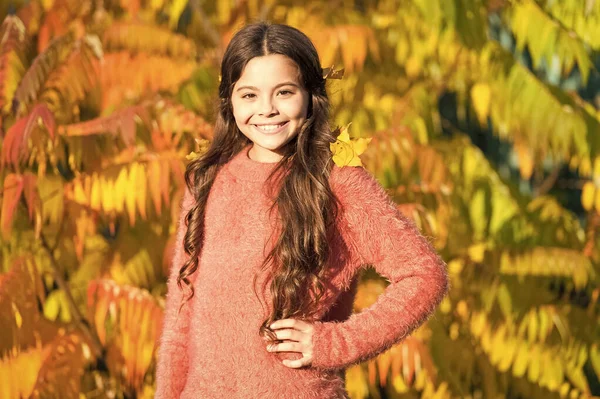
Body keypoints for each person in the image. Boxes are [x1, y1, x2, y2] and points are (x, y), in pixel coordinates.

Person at [154, 22, 450, 399]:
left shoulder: (337, 182)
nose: (267, 110)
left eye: (284, 92)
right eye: (249, 95)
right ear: (229, 100)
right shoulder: (208, 180)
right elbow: (182, 315)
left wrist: (335, 342)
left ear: (311, 94)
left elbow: (425, 275)